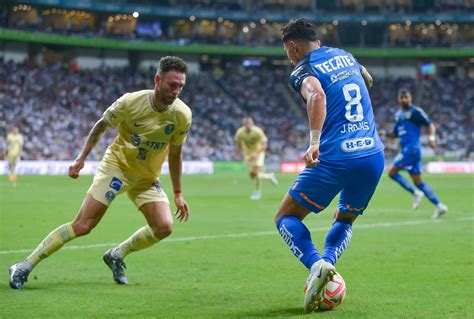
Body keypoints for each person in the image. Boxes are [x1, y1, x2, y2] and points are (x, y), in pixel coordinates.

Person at [9, 56, 192, 289]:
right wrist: (81, 158)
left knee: (164, 227)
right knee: (83, 225)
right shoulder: (130, 102)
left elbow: (175, 155)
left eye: (181, 86)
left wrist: (177, 192)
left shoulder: (182, 115)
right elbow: (101, 126)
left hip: (146, 178)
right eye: (172, 85)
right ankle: (24, 266)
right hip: (117, 168)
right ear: (157, 80)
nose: (177, 91)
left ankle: (116, 255)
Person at [275, 19, 385, 313]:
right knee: (345, 218)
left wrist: (314, 142)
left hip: (336, 155)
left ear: (293, 47)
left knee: (285, 217)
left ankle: (316, 264)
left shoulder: (303, 68)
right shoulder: (346, 56)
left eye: (288, 51)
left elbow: (317, 95)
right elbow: (367, 78)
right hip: (372, 154)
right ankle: (328, 264)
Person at [386, 88, 448, 219]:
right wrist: (384, 133)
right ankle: (439, 205)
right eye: (402, 97)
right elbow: (395, 134)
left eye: (406, 97)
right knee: (419, 182)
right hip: (408, 151)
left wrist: (432, 139)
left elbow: (430, 125)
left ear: (410, 98)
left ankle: (415, 193)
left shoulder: (415, 112)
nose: (404, 99)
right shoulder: (398, 115)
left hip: (412, 150)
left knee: (392, 173)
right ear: (398, 99)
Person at [234, 117, 278, 200]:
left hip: (259, 154)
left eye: (249, 123)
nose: (248, 125)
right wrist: (238, 154)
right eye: (246, 124)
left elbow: (264, 145)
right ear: (244, 124)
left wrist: (257, 153)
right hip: (249, 155)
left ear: (252, 123)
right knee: (252, 175)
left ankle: (257, 193)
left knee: (256, 172)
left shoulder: (258, 131)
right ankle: (269, 176)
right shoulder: (240, 132)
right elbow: (238, 144)